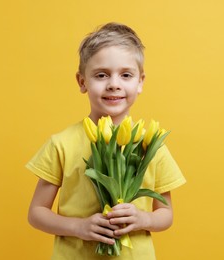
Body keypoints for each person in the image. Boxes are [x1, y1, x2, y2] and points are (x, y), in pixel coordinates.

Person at [26, 22, 186, 259]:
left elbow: (166, 215)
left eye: (126, 75)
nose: (114, 84)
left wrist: (142, 218)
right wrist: (79, 227)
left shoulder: (151, 144)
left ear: (140, 82)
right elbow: (36, 213)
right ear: (82, 82)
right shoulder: (62, 143)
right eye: (101, 75)